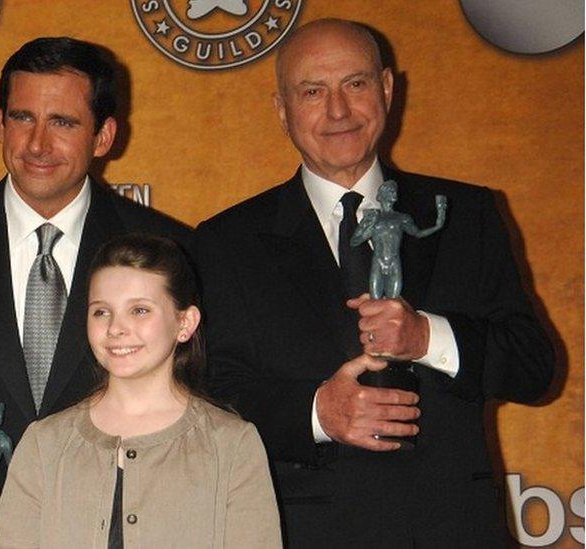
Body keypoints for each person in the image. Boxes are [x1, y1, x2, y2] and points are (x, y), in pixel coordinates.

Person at [193, 18, 554, 547]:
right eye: (313, 91)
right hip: (305, 533)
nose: (338, 111)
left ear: (387, 89)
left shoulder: (464, 214)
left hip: (454, 530)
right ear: (282, 110)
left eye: (355, 84)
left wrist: (429, 337)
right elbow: (209, 401)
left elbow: (533, 368)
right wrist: (318, 412)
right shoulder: (226, 242)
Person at [0, 37, 190, 549]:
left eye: (62, 122)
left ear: (104, 135)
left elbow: (192, 401)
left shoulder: (166, 250)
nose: (38, 144)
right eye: (22, 118)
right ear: (1, 127)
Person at [0, 234, 281, 548]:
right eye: (101, 311)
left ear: (185, 322)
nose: (116, 328)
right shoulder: (43, 444)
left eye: (140, 310)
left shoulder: (233, 446)